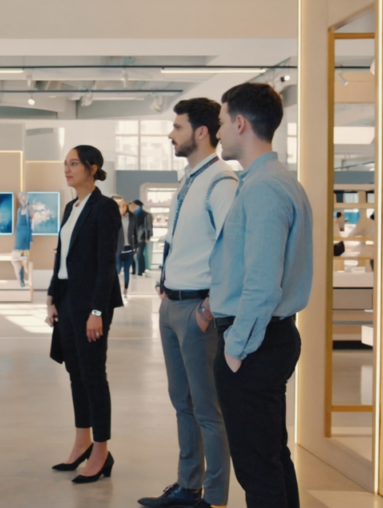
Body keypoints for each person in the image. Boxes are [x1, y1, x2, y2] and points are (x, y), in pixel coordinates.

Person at [198, 83, 313, 508]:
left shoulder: (265, 188)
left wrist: (236, 348)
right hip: (266, 338)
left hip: (255, 344)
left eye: (223, 121)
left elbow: (262, 284)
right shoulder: (269, 181)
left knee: (257, 467)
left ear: (241, 124)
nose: (220, 130)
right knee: (270, 457)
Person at [139, 98, 238, 508]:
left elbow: (234, 249)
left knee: (207, 409)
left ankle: (214, 497)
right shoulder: (190, 179)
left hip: (198, 311)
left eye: (177, 127)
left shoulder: (221, 181)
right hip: (172, 305)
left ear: (201, 132)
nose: (170, 134)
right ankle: (188, 485)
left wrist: (210, 306)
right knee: (182, 402)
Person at [46, 145, 124, 485]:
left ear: (93, 168)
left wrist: (97, 311)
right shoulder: (70, 207)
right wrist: (51, 294)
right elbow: (62, 254)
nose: (67, 169)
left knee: (93, 375)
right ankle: (81, 442)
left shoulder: (104, 208)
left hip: (91, 303)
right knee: (75, 373)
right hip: (66, 299)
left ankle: (101, 450)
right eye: (65, 164)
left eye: (74, 163)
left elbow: (108, 263)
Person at [116, 197, 137, 299]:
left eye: (124, 206)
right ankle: (115, 290)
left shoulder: (132, 217)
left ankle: (125, 289)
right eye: (121, 207)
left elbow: (135, 232)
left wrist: (135, 246)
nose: (122, 209)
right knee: (117, 269)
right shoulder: (115, 217)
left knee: (127, 270)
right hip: (118, 248)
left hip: (129, 247)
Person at [12, 192, 33, 286]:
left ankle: (24, 269)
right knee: (21, 256)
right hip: (22, 237)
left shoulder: (26, 208)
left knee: (17, 258)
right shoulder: (22, 209)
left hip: (23, 237)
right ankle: (22, 277)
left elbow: (31, 218)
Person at [131, 199, 153, 276]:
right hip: (133, 238)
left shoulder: (146, 215)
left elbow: (148, 227)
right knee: (133, 253)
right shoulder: (132, 214)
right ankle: (134, 270)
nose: (132, 206)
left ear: (138, 205)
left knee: (139, 253)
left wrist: (148, 237)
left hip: (142, 237)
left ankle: (141, 270)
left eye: (134, 205)